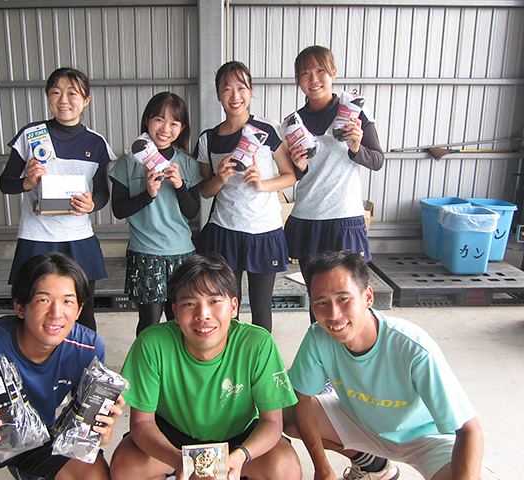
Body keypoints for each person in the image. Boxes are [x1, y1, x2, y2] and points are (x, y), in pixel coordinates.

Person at [286, 250, 500, 480]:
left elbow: (470, 430)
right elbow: (302, 400)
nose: (334, 314)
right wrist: (322, 467)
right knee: (286, 415)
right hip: (362, 424)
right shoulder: (319, 337)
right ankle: (370, 462)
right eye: (322, 302)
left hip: (428, 441)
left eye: (343, 299)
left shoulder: (414, 348)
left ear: (368, 297)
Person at [0, 252, 125, 480]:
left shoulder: (88, 348)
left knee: (94, 476)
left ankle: (26, 469)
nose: (56, 314)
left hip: (41, 434)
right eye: (43, 300)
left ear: (79, 310)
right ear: (20, 307)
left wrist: (100, 431)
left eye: (67, 301)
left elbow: (81, 421)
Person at [109, 252, 301, 480]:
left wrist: (240, 457)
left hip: (239, 438)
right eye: (190, 303)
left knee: (285, 467)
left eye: (214, 301)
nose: (203, 315)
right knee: (125, 467)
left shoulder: (257, 343)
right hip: (172, 439)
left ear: (234, 307)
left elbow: (272, 422)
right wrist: (179, 461)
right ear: (175, 312)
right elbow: (142, 422)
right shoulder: (152, 343)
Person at [0, 67, 116, 331]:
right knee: (33, 311)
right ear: (48, 96)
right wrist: (27, 182)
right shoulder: (31, 135)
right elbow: (5, 183)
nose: (63, 100)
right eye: (55, 92)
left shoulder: (96, 142)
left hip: (78, 239)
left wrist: (92, 205)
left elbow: (102, 191)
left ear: (86, 100)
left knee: (83, 311)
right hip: (36, 238)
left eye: (72, 93)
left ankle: (85, 356)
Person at [194, 61, 296, 333]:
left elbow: (290, 175)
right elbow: (203, 190)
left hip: (264, 232)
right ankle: (230, 356)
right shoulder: (208, 139)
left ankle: (261, 358)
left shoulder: (268, 130)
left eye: (241, 88)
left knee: (262, 308)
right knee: (228, 307)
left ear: (251, 92)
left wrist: (263, 184)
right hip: (224, 231)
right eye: (227, 89)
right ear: (218, 95)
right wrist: (220, 178)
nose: (235, 96)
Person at [283, 46, 384, 290]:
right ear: (298, 80)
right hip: (308, 219)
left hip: (344, 220)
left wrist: (357, 147)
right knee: (317, 296)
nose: (313, 79)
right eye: (305, 73)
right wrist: (299, 165)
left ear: (333, 73)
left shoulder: (355, 112)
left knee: (349, 295)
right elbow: (293, 175)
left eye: (320, 70)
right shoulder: (293, 123)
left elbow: (377, 161)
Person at [109, 92, 202, 336]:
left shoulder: (187, 164)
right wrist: (148, 194)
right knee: (149, 322)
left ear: (182, 128)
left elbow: (192, 211)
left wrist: (180, 186)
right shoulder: (127, 163)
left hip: (181, 253)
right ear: (147, 120)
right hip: (145, 252)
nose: (165, 129)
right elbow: (118, 209)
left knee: (181, 320)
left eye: (174, 123)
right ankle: (147, 361)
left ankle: (179, 362)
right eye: (159, 119)